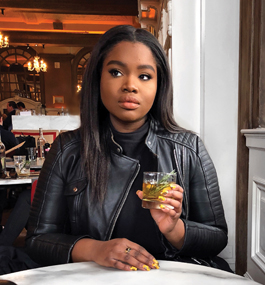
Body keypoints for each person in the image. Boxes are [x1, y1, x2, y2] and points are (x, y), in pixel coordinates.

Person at [26, 25, 231, 272]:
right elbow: (38, 239)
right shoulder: (66, 149)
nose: (130, 85)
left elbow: (217, 237)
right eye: (115, 72)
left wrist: (175, 229)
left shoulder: (188, 148)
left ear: (159, 84)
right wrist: (95, 249)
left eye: (144, 76)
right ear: (97, 78)